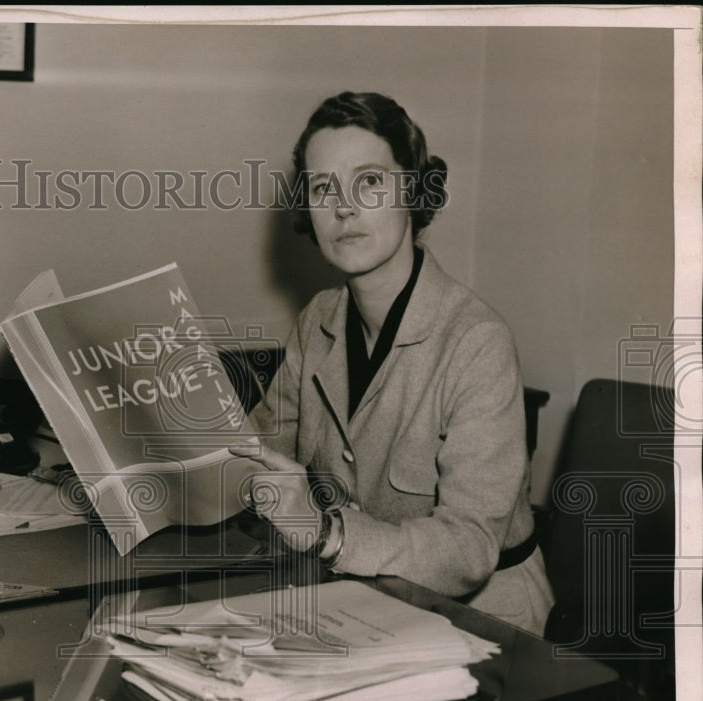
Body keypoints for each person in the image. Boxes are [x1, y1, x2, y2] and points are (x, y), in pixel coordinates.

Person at [230, 91, 553, 636]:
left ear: (415, 191)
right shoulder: (318, 320)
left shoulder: (477, 340)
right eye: (322, 187)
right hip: (360, 598)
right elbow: (260, 450)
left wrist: (326, 532)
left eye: (370, 181)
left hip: (485, 621)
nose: (343, 207)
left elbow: (469, 547)